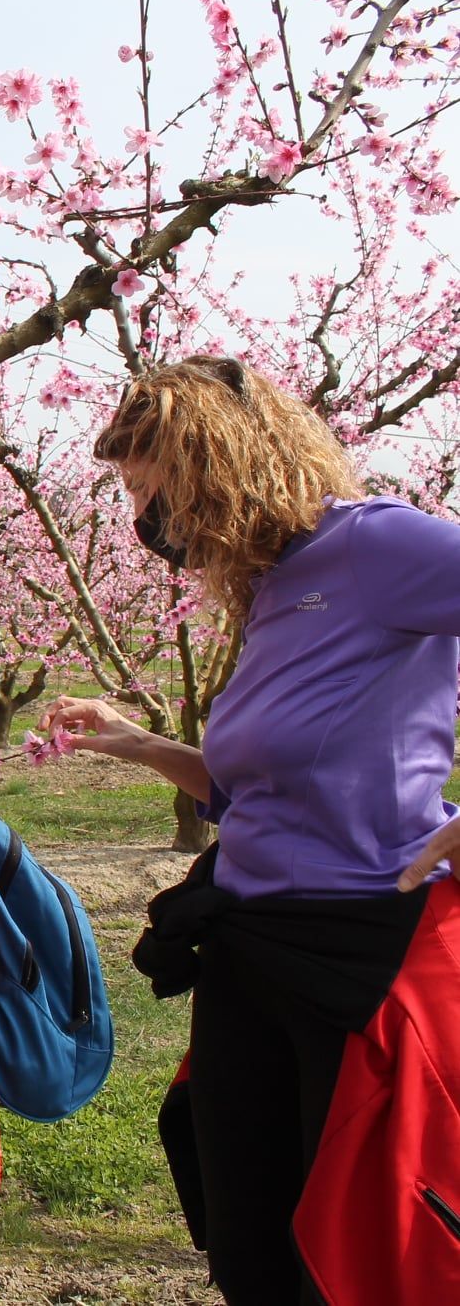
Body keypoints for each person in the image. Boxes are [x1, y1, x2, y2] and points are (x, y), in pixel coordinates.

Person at [45, 355, 460, 1304]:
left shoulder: (376, 548)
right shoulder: (274, 585)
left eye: (159, 494)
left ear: (221, 464)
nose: (151, 525)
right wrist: (139, 743)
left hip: (363, 954)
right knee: (248, 1242)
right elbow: (264, 790)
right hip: (250, 949)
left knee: (356, 1256)